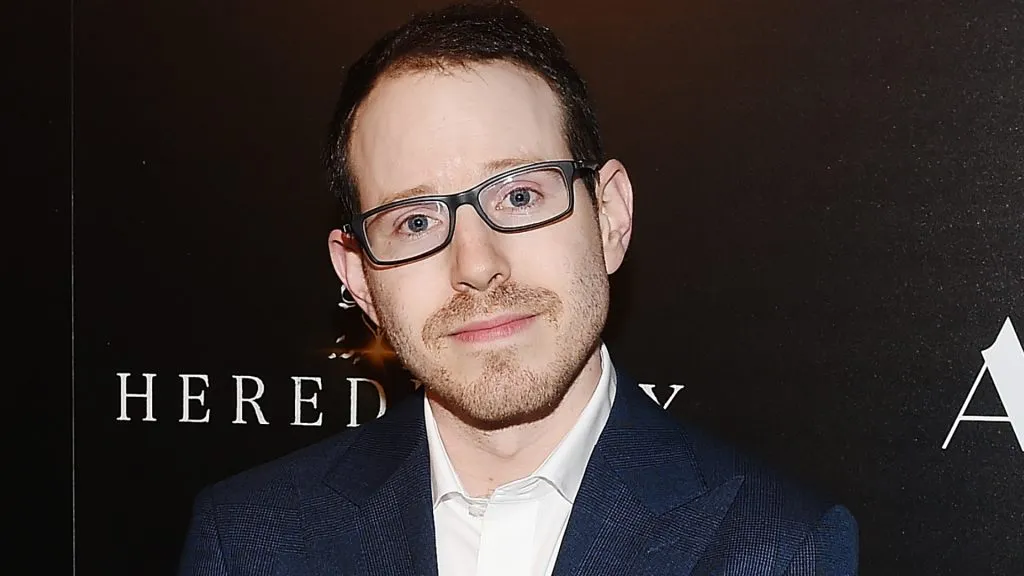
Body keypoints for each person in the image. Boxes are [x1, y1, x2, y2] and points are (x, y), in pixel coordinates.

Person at [178, 2, 858, 575]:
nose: (476, 263)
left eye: (521, 194)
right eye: (414, 219)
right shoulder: (249, 541)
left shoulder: (776, 547)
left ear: (611, 218)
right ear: (359, 278)